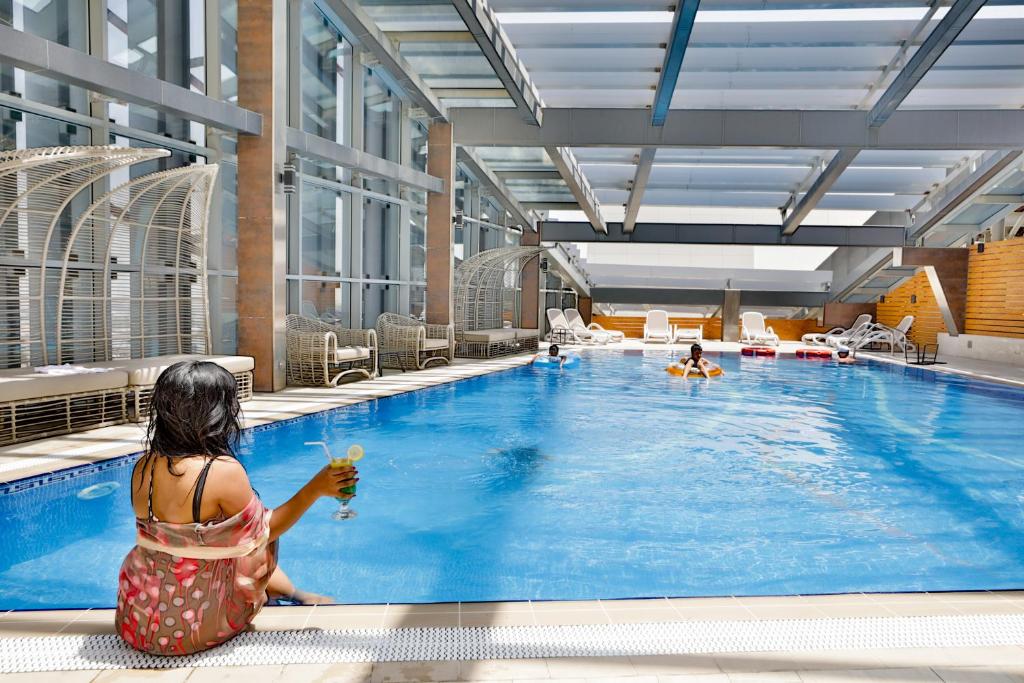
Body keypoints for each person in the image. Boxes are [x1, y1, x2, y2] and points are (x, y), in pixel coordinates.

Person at [116, 360, 358, 656]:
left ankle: (296, 594)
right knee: (257, 543)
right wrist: (316, 488)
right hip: (191, 630)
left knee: (227, 541)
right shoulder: (219, 471)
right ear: (217, 413)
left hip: (138, 622)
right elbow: (267, 530)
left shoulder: (144, 466)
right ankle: (294, 594)